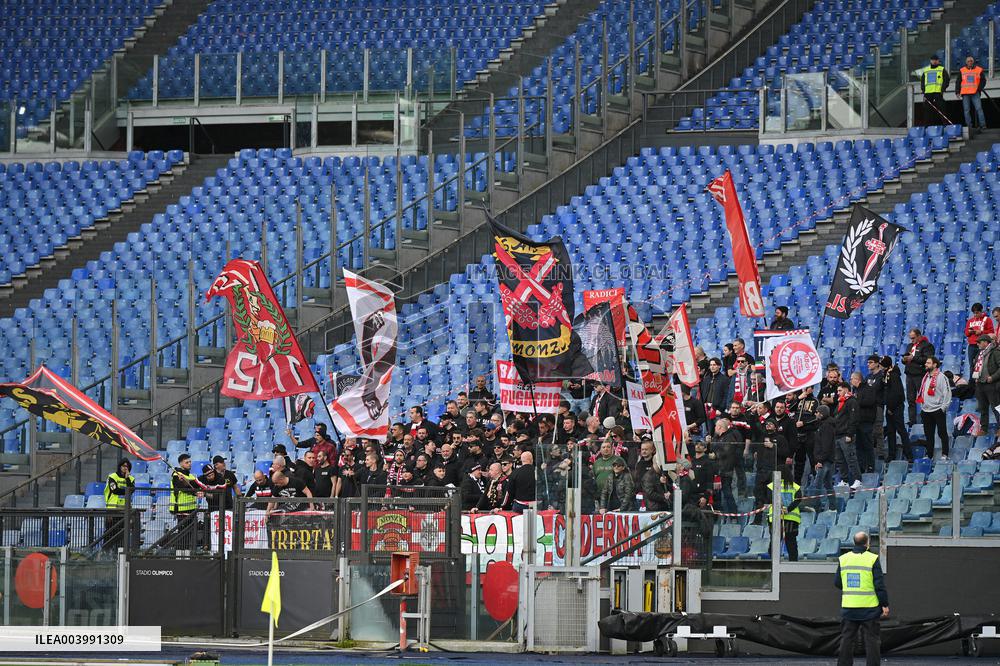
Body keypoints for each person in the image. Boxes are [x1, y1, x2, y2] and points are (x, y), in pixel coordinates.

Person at [834, 531, 889, 666]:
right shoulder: (872, 558)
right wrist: (885, 604)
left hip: (849, 608)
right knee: (872, 641)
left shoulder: (844, 559)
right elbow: (879, 584)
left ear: (854, 542)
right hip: (869, 609)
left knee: (847, 639)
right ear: (867, 543)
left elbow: (837, 582)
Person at [917, 355, 952, 460]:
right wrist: (922, 406)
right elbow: (922, 392)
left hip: (937, 410)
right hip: (926, 410)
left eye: (928, 363)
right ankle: (929, 455)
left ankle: (945, 454)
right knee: (928, 434)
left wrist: (943, 408)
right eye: (926, 363)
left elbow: (947, 393)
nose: (925, 364)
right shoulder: (925, 376)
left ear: (935, 364)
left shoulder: (942, 377)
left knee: (942, 433)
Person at [767, 465, 802, 561]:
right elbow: (798, 500)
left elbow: (770, 499)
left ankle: (773, 564)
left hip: (775, 518)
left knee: (774, 542)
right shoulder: (795, 486)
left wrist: (779, 508)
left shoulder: (772, 486)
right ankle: (793, 566)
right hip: (791, 519)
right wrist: (788, 509)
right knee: (791, 543)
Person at [880, 356, 912, 461]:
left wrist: (891, 408)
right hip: (890, 407)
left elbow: (897, 394)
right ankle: (891, 454)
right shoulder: (887, 374)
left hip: (896, 407)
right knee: (890, 431)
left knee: (901, 430)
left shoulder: (893, 375)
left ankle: (909, 454)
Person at [901, 328, 934, 425]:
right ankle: (912, 420)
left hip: (920, 375)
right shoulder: (910, 346)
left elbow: (928, 360)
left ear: (919, 336)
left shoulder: (927, 346)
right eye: (910, 338)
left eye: (913, 338)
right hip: (909, 374)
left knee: (924, 398)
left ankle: (927, 419)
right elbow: (906, 358)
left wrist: (913, 358)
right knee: (910, 399)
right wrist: (904, 359)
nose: (912, 340)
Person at [832, 382, 862, 489]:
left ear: (846, 390)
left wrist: (850, 434)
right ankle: (844, 480)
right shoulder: (840, 402)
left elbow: (854, 419)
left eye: (840, 390)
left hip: (846, 435)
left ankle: (858, 479)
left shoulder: (852, 401)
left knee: (851, 459)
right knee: (840, 460)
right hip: (838, 435)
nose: (838, 393)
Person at [103, 459, 135, 550]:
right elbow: (114, 490)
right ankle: (105, 551)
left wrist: (127, 478)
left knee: (122, 533)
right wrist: (126, 490)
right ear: (120, 466)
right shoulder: (112, 477)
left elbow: (132, 490)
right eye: (123, 466)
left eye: (127, 466)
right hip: (112, 510)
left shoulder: (131, 479)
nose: (125, 468)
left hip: (124, 510)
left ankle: (118, 553)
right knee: (109, 532)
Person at [850, 371, 877, 474]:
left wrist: (855, 401)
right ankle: (861, 467)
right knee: (859, 446)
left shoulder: (869, 389)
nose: (851, 380)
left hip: (866, 421)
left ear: (858, 379)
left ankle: (870, 467)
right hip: (857, 422)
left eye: (852, 378)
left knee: (867, 445)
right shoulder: (855, 390)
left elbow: (869, 402)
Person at [972, 334, 1000, 435]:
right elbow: (975, 365)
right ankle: (984, 429)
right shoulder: (979, 353)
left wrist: (993, 377)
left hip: (991, 384)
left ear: (986, 342)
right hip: (980, 384)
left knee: (996, 407)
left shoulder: (995, 352)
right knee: (983, 408)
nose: (978, 344)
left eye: (979, 342)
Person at [812, 405, 837, 511]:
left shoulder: (826, 426)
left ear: (821, 413)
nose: (815, 414)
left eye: (817, 412)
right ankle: (833, 507)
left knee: (818, 484)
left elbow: (825, 445)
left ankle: (816, 506)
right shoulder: (824, 425)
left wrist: (820, 460)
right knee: (828, 484)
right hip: (826, 460)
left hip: (824, 461)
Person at [965, 303, 995, 379]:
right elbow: (966, 333)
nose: (975, 315)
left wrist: (981, 332)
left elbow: (991, 332)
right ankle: (972, 383)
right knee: (972, 364)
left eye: (977, 313)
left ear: (981, 311)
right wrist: (970, 331)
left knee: (981, 364)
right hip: (972, 345)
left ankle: (981, 380)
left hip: (982, 345)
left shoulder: (987, 320)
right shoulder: (970, 321)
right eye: (974, 313)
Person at [957, 55, 987, 131]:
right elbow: (958, 82)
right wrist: (957, 92)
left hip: (975, 92)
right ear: (966, 62)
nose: (970, 62)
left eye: (971, 61)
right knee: (966, 110)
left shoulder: (979, 70)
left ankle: (983, 125)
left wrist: (979, 89)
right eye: (968, 61)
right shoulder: (962, 70)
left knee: (979, 109)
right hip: (965, 93)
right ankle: (969, 127)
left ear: (973, 62)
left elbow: (983, 80)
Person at [920, 54, 950, 124]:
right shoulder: (926, 70)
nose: (934, 61)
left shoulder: (942, 69)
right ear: (930, 61)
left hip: (938, 92)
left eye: (936, 60)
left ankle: (945, 124)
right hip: (928, 93)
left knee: (942, 108)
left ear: (938, 61)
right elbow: (922, 81)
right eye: (933, 60)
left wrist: (942, 89)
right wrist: (923, 90)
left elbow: (946, 80)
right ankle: (927, 125)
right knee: (927, 110)